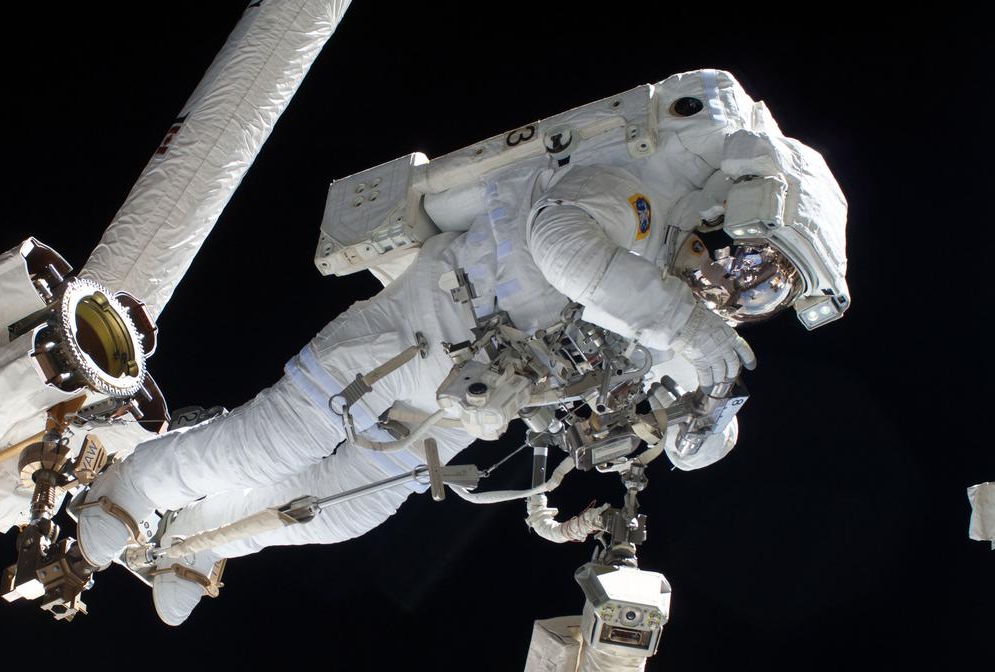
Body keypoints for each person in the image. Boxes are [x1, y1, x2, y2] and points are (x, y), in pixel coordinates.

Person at [76, 69, 848, 625]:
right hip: (410, 339)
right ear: (737, 212)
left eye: (762, 294)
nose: (737, 292)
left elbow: (676, 425)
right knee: (280, 443)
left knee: (340, 511)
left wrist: (707, 416)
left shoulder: (665, 297)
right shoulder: (639, 201)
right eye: (752, 266)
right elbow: (559, 242)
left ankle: (193, 544)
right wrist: (691, 329)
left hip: (457, 409)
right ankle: (136, 488)